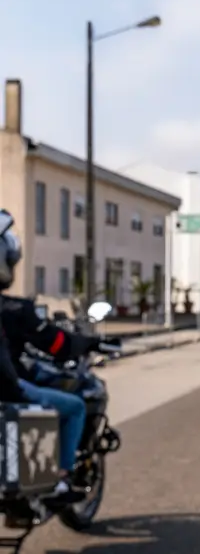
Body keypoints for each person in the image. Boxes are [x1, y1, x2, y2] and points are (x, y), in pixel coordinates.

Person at [0, 212, 92, 504]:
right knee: (75, 408)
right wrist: (90, 342)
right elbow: (58, 344)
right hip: (8, 390)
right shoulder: (15, 309)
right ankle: (61, 480)